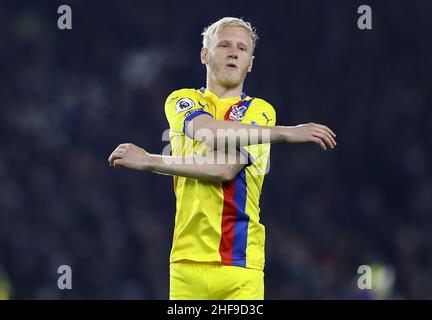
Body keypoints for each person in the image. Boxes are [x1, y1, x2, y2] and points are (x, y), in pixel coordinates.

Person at [108, 17, 337, 299]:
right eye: (224, 45)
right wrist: (287, 133)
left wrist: (149, 161)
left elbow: (225, 168)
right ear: (205, 54)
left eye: (242, 49)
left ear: (250, 63)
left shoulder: (260, 112)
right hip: (186, 263)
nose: (233, 52)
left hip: (240, 265)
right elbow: (206, 132)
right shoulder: (183, 100)